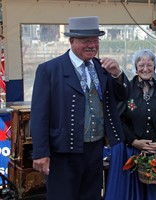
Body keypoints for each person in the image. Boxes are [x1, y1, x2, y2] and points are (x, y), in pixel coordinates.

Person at [30, 16, 130, 200]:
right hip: (63, 151)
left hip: (95, 148)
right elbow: (39, 115)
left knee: (91, 196)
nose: (92, 45)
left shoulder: (103, 68)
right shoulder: (50, 69)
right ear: (71, 40)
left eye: (95, 40)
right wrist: (41, 152)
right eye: (85, 41)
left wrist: (118, 74)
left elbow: (123, 96)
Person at [104, 49, 156, 200]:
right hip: (131, 152)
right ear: (135, 67)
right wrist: (134, 141)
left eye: (149, 65)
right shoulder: (125, 89)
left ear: (155, 66)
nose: (145, 69)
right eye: (141, 65)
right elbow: (119, 119)